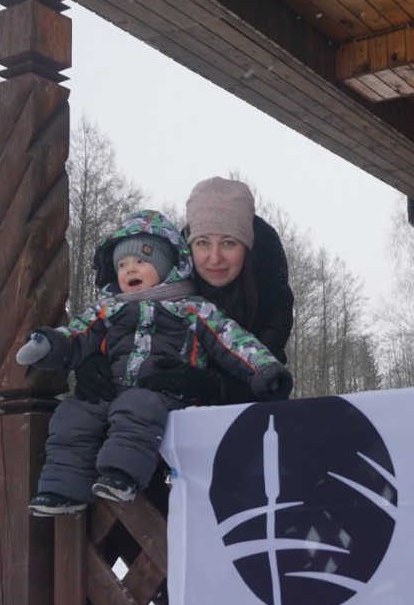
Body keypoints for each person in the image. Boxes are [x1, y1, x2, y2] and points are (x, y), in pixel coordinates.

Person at [16, 209, 292, 516]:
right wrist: (50, 344)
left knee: (137, 409)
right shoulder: (108, 308)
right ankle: (63, 489)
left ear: (165, 265)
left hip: (162, 390)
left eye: (141, 261)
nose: (130, 269)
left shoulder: (192, 308)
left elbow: (233, 341)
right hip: (111, 388)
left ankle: (121, 475)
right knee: (72, 414)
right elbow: (77, 333)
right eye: (122, 264)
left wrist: (264, 369)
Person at [74, 177, 295, 406]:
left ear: (247, 247)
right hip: (144, 410)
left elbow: (269, 380)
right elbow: (118, 323)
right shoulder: (164, 282)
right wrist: (90, 361)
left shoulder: (270, 297)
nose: (214, 258)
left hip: (240, 413)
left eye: (229, 243)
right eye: (202, 243)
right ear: (189, 246)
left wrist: (215, 386)